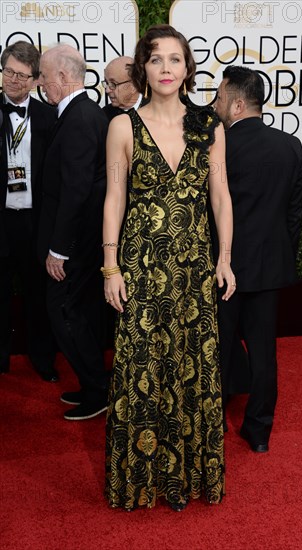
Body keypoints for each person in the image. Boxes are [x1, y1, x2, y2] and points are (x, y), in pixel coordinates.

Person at [102, 24, 235, 511]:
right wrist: (110, 266)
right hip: (140, 264)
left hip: (195, 266)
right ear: (143, 67)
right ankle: (140, 478)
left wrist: (225, 259)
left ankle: (188, 477)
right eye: (155, 60)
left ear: (187, 69)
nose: (165, 69)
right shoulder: (123, 126)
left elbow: (220, 197)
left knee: (191, 366)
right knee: (141, 364)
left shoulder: (209, 126)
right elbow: (114, 199)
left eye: (174, 59)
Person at [214, 66, 302, 452]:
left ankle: (212, 424)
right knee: (264, 352)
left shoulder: (219, 147)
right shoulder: (290, 145)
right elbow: (294, 214)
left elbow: (209, 210)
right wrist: (281, 255)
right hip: (269, 267)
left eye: (219, 98)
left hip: (225, 268)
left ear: (236, 105)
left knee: (216, 348)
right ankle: (259, 432)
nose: (214, 105)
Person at [37, 44, 110, 420]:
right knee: (74, 312)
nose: (40, 85)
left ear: (63, 78)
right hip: (80, 240)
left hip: (75, 244)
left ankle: (98, 389)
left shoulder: (80, 118)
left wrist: (59, 250)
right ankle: (92, 384)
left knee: (65, 311)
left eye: (44, 78)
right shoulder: (80, 113)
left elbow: (77, 190)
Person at [0, 41, 58, 381]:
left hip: (36, 220)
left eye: (23, 76)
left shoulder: (49, 117)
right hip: (2, 218)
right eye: (9, 72)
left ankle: (42, 358)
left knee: (39, 293)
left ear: (36, 80)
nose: (14, 81)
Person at [102, 56, 145, 121]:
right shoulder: (104, 115)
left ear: (133, 86)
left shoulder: (156, 111)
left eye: (113, 84)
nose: (107, 90)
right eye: (106, 83)